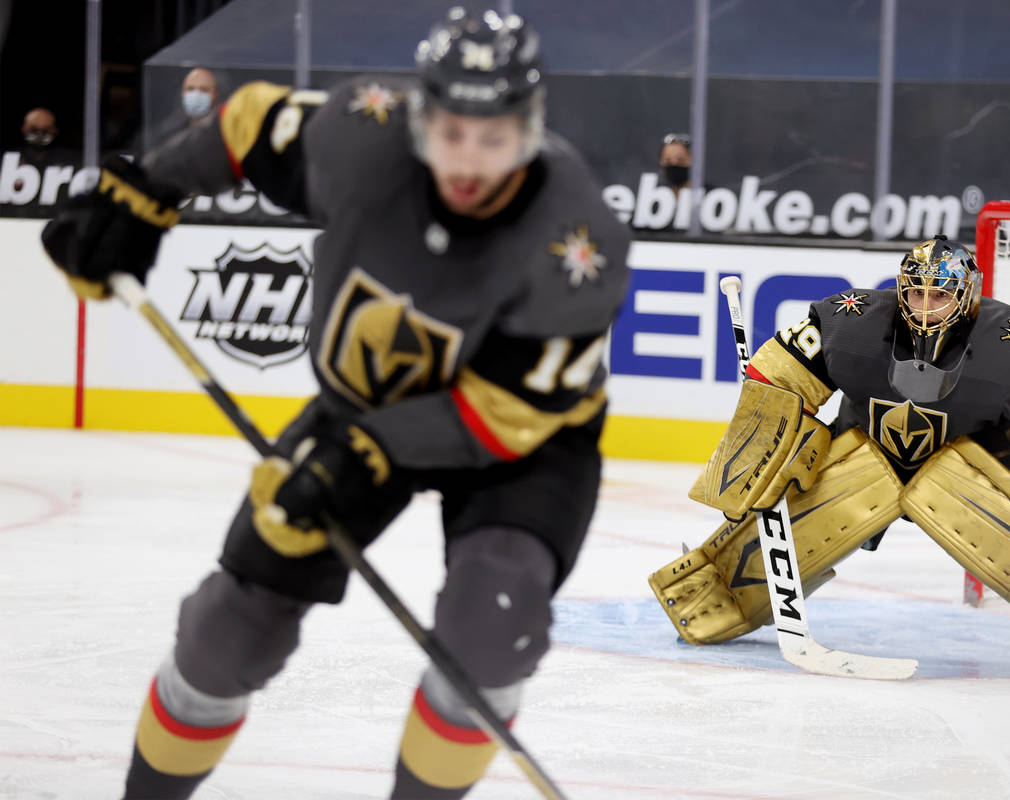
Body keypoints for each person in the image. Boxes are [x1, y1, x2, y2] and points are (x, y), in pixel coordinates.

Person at [41, 7, 630, 798]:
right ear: (422, 114)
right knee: (229, 630)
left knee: (493, 622)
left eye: (492, 139)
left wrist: (362, 456)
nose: (469, 162)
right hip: (364, 412)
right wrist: (147, 189)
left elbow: (506, 414)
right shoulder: (364, 135)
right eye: (452, 132)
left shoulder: (577, 242)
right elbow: (246, 127)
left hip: (519, 447)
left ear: (529, 129)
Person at [649, 235, 1010, 671]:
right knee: (847, 483)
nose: (925, 307)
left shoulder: (1003, 345)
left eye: (940, 295)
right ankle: (711, 594)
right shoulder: (853, 323)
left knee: (980, 505)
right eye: (917, 293)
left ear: (966, 296)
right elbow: (778, 371)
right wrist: (768, 437)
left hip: (968, 466)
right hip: (864, 455)